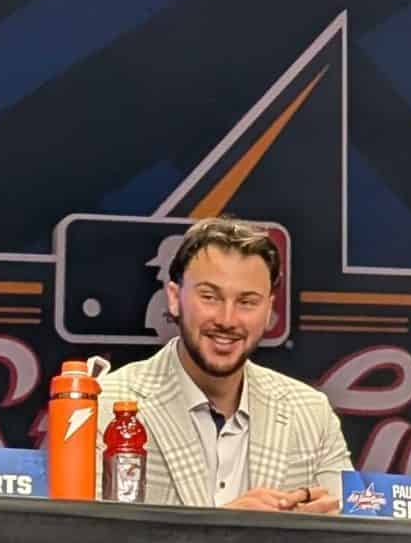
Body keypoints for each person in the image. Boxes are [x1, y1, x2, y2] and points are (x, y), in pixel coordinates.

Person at [100, 216, 350, 512]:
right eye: (210, 297)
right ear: (174, 298)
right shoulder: (105, 403)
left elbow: (350, 541)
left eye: (247, 302)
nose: (227, 320)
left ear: (269, 309)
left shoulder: (311, 413)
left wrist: (320, 528)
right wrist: (228, 528)